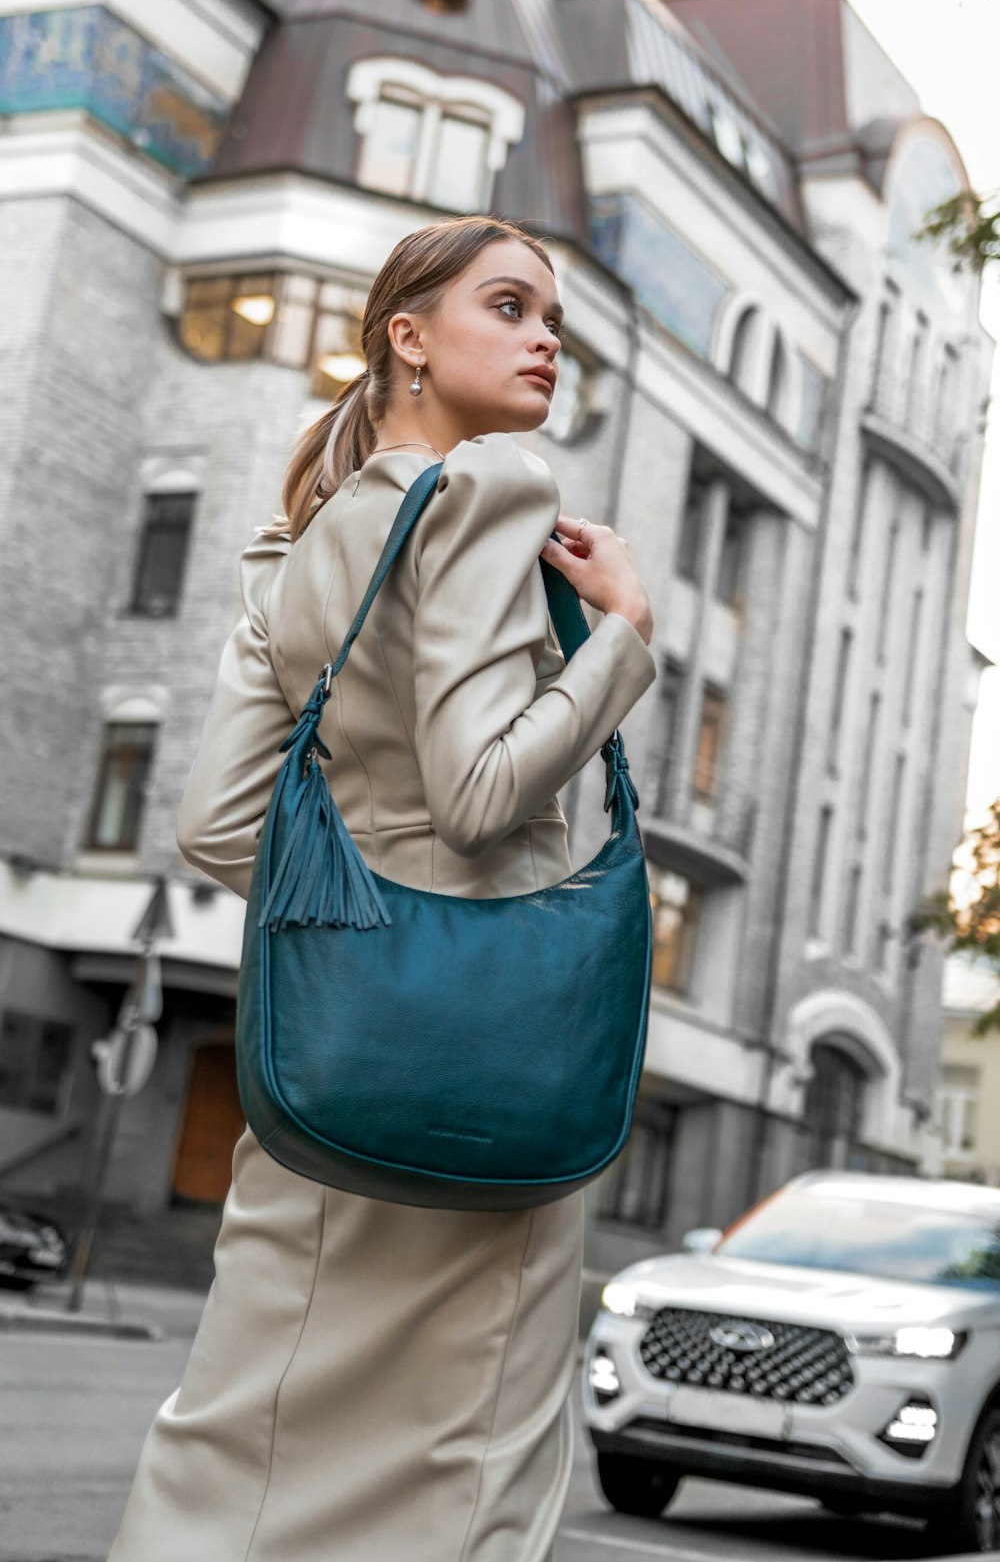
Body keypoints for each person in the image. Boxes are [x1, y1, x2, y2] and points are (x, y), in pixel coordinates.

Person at [107, 214, 656, 1562]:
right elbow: (478, 794)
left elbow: (219, 825)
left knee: (238, 1442)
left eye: (556, 323)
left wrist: (369, 919)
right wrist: (626, 639)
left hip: (322, 1077)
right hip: (486, 1088)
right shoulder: (493, 490)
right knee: (464, 1476)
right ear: (406, 333)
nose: (545, 339)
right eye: (512, 306)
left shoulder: (294, 547)